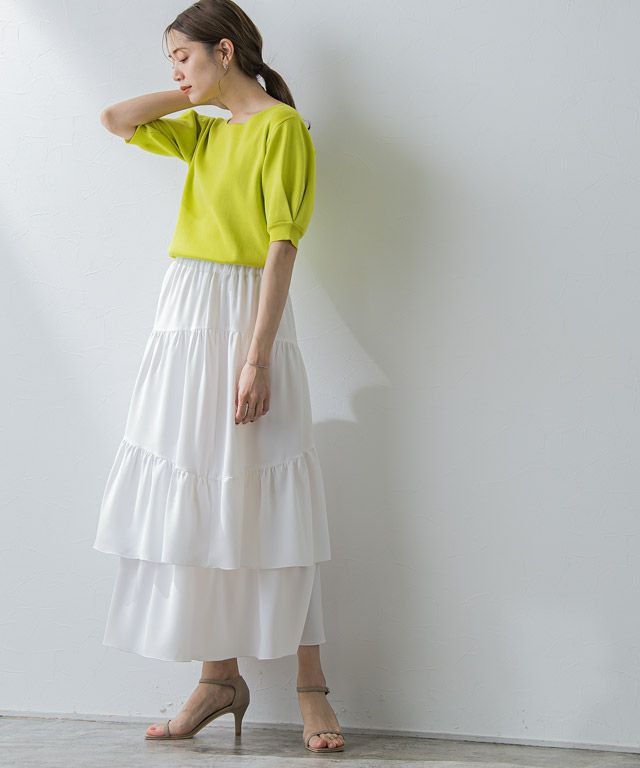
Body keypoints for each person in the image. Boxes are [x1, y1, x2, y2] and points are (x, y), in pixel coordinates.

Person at [92, 0, 345, 754]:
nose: (175, 71)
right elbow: (114, 119)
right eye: (170, 60)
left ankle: (311, 687)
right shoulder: (204, 129)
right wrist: (188, 92)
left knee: (272, 493)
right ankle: (217, 678)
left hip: (246, 314)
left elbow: (282, 245)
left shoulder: (281, 129)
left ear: (225, 50)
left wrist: (257, 357)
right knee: (198, 489)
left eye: (183, 56)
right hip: (186, 314)